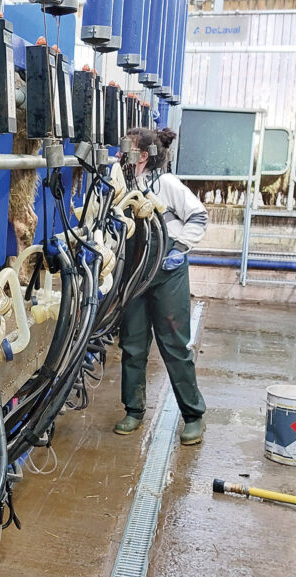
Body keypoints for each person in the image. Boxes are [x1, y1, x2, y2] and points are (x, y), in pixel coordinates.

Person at [115, 127, 209, 445]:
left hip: (167, 273)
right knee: (133, 344)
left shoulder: (165, 184)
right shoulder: (121, 183)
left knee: (174, 346)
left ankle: (194, 415)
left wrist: (179, 249)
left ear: (142, 155)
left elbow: (199, 215)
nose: (119, 154)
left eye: (124, 149)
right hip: (134, 274)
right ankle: (134, 410)